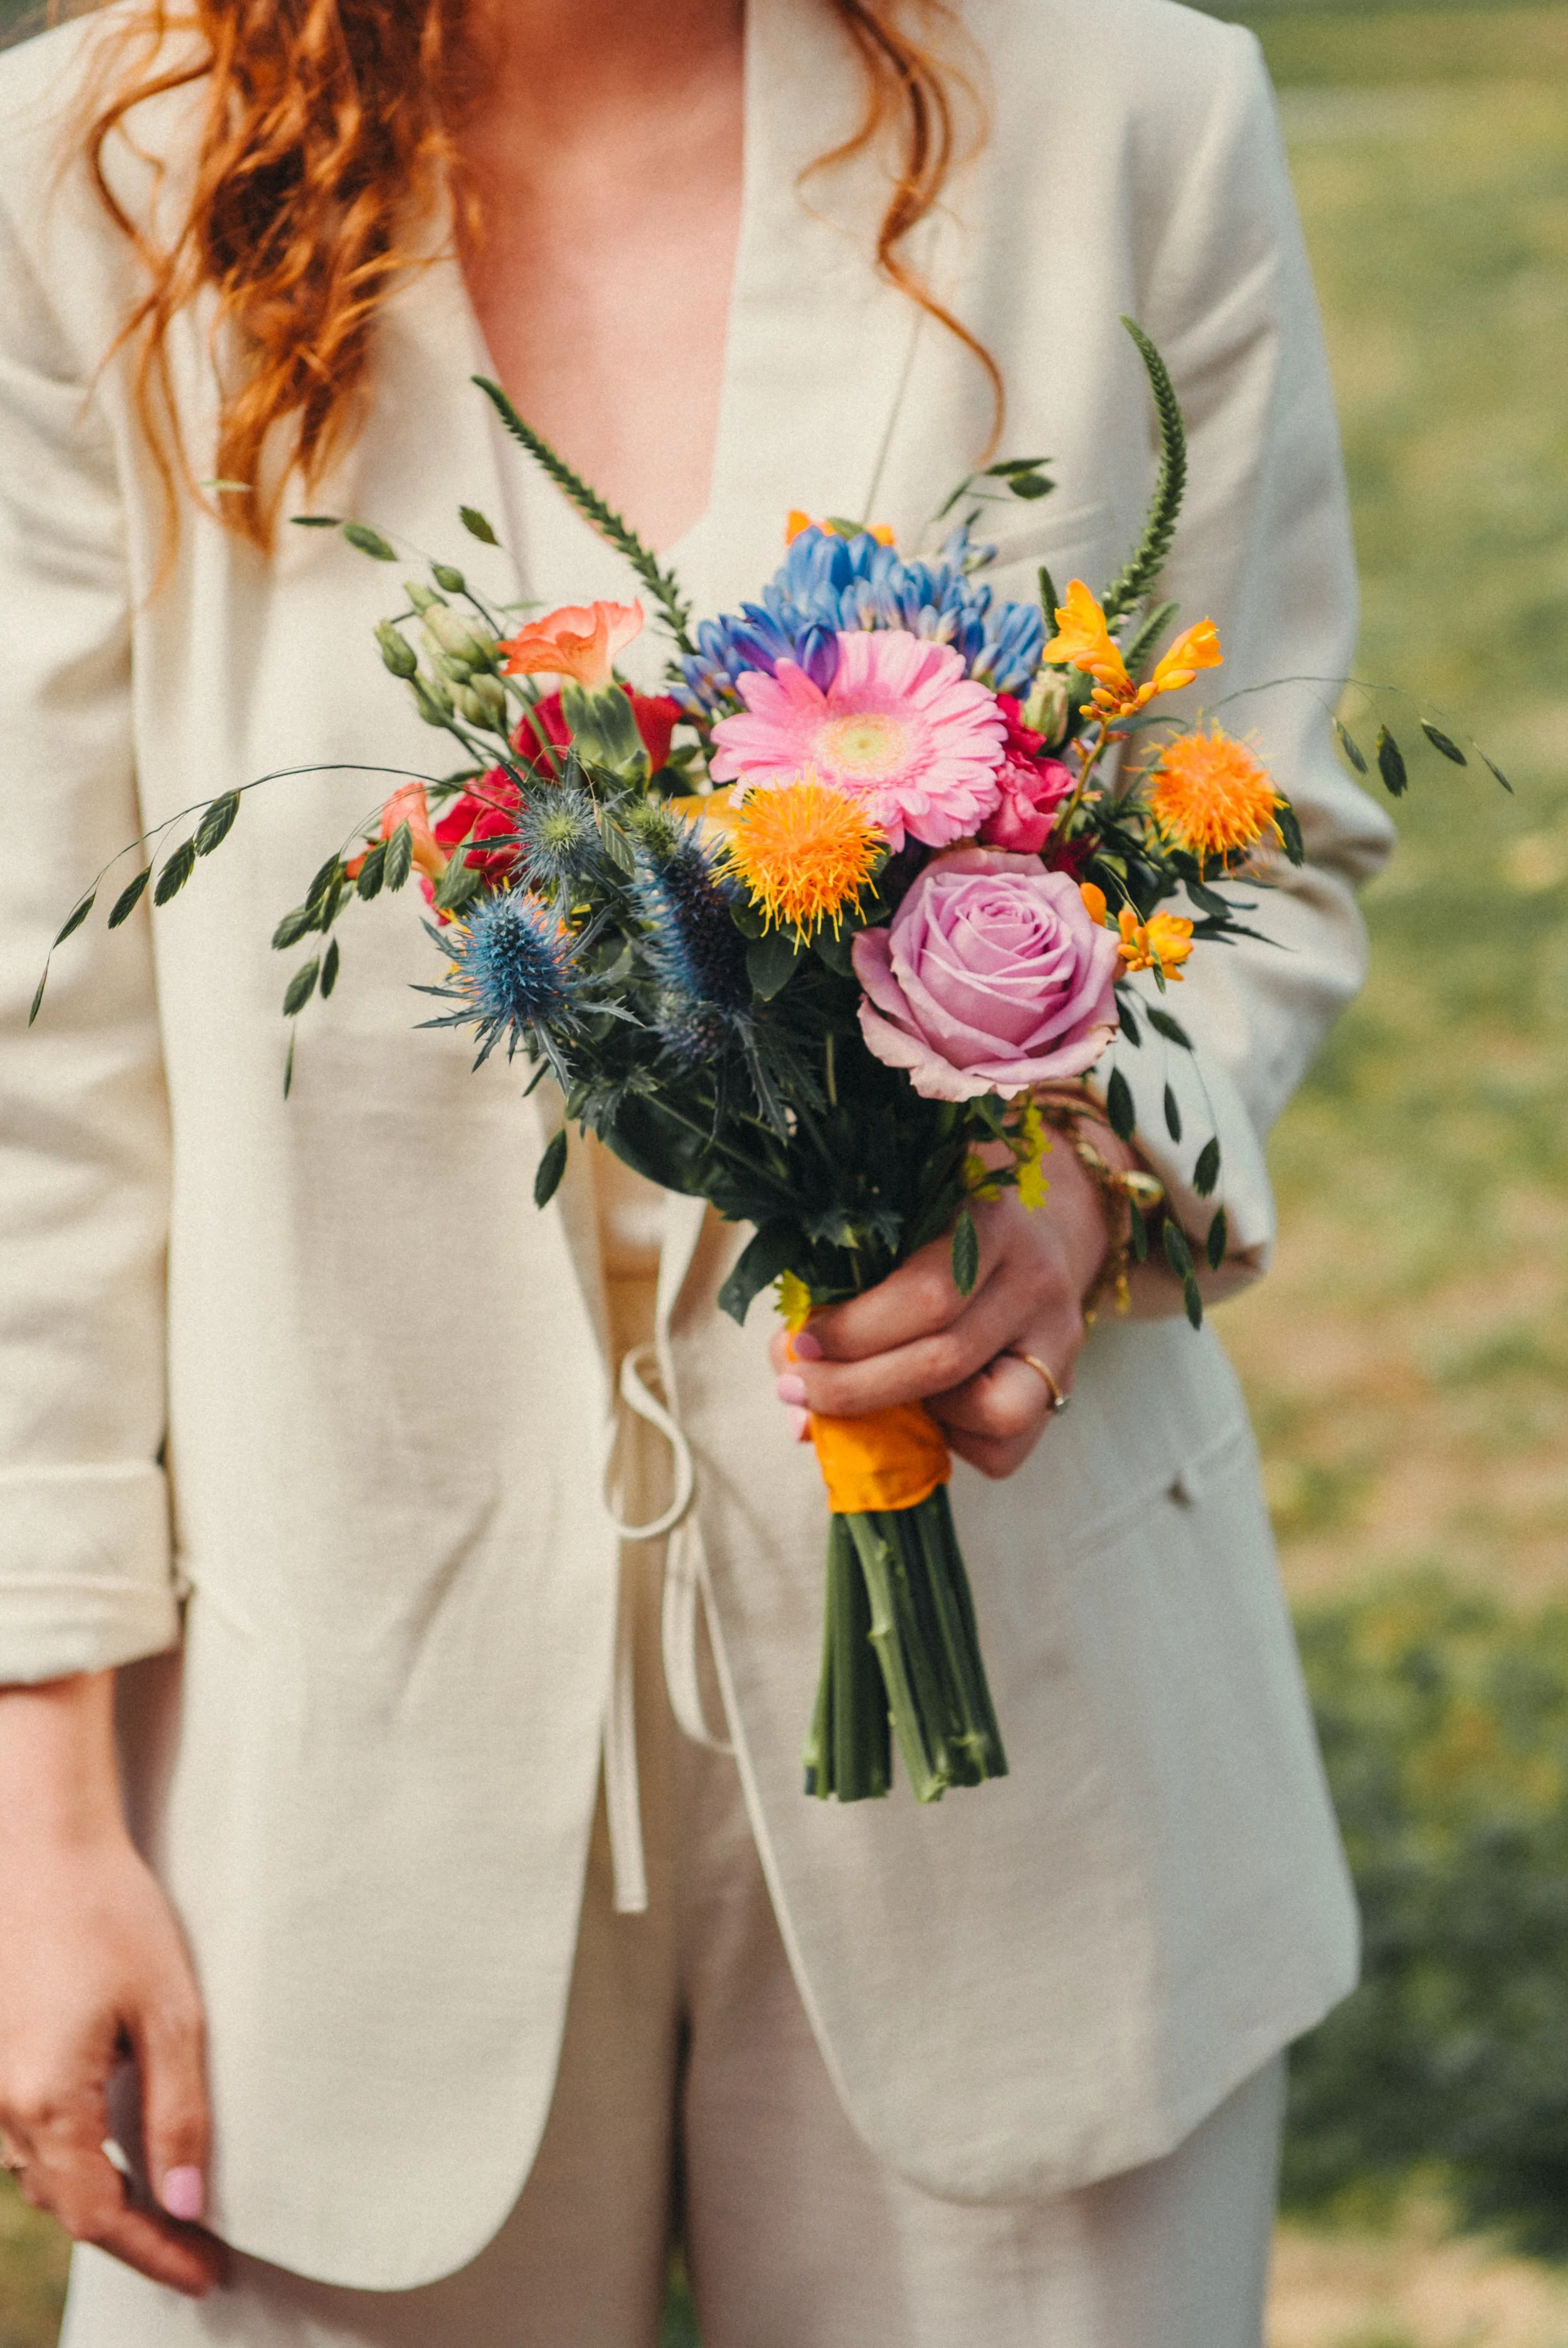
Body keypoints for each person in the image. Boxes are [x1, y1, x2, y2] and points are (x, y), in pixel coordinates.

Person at [0, 0, 1396, 2339]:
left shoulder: (1136, 110)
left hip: (1026, 1751)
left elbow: (1270, 835)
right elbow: (41, 1045)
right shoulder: (90, 171)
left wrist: (1069, 1185)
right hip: (319, 1788)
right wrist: (38, 1814)